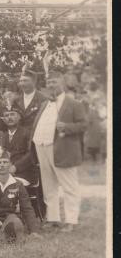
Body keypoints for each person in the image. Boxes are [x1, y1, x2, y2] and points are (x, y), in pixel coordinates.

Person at [31, 70, 87, 232]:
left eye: (54, 82)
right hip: (41, 146)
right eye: (49, 82)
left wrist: (67, 127)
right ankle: (53, 218)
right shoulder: (45, 104)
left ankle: (71, 220)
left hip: (63, 150)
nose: (51, 85)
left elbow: (83, 125)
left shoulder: (74, 103)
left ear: (62, 83)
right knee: (49, 185)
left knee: (69, 186)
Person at [0, 148, 41, 242]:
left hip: (10, 217)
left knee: (15, 221)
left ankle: (8, 232)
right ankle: (5, 233)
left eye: (5, 162)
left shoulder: (18, 184)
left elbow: (27, 208)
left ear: (10, 164)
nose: (2, 165)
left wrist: (34, 231)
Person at [0, 102, 35, 185]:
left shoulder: (28, 133)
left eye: (12, 114)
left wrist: (15, 167)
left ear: (19, 117)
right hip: (3, 172)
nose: (9, 117)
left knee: (8, 184)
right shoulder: (1, 135)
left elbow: (31, 154)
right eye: (6, 115)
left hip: (23, 172)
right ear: (3, 119)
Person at [14, 65, 47, 130]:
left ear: (34, 82)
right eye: (21, 81)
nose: (22, 84)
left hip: (36, 134)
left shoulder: (43, 99)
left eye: (25, 81)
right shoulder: (15, 99)